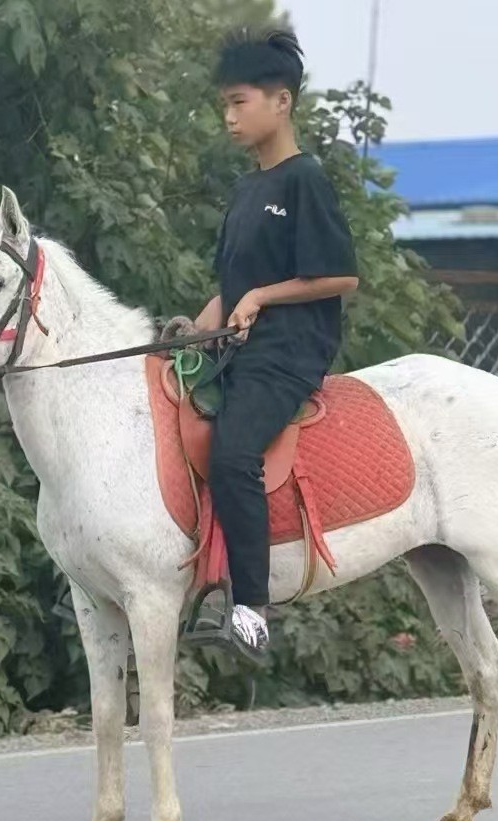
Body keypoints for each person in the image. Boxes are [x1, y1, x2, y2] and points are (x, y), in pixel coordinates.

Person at [193, 26, 359, 661]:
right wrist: (196, 324)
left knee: (234, 451)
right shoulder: (245, 191)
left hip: (288, 353)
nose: (230, 117)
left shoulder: (304, 180)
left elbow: (340, 275)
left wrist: (261, 300)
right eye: (225, 106)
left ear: (281, 102)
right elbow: (231, 286)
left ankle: (251, 611)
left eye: (240, 103)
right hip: (236, 346)